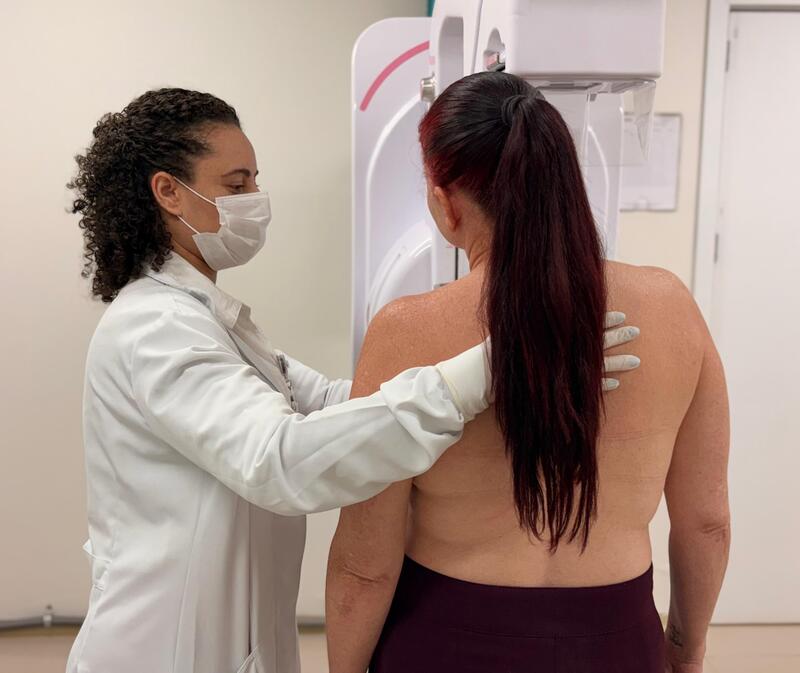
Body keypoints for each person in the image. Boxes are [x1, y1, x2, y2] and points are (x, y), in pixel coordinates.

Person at [64, 87, 640, 673]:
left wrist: (455, 362)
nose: (255, 201)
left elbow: (342, 404)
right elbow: (280, 459)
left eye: (254, 183)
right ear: (168, 193)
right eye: (236, 186)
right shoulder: (155, 328)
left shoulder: (211, 320)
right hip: (160, 649)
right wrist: (495, 367)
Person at [325, 71, 730, 673]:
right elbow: (705, 523)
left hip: (444, 642)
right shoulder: (670, 308)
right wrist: (685, 647)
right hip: (616, 644)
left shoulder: (407, 331)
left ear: (445, 202)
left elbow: (365, 563)